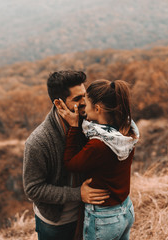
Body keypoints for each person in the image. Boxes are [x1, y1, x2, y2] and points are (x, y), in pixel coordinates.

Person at [23, 71, 110, 240]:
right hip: (56, 223)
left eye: (85, 96)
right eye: (77, 99)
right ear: (59, 103)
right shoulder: (38, 141)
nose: (85, 103)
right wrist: (78, 194)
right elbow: (33, 189)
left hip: (87, 214)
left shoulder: (89, 123)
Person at [56, 79, 139, 240]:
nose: (83, 108)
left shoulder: (98, 145)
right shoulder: (127, 130)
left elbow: (71, 164)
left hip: (104, 217)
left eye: (86, 103)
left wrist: (73, 127)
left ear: (98, 108)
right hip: (125, 209)